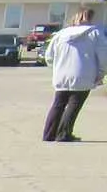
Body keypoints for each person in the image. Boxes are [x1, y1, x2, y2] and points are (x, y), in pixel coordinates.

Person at [41, 9, 107, 142]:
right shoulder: (95, 33)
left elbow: (49, 56)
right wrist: (101, 73)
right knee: (74, 104)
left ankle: (48, 134)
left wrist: (56, 68)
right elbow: (103, 56)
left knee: (58, 104)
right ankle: (63, 134)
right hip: (84, 74)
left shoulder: (61, 34)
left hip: (62, 75)